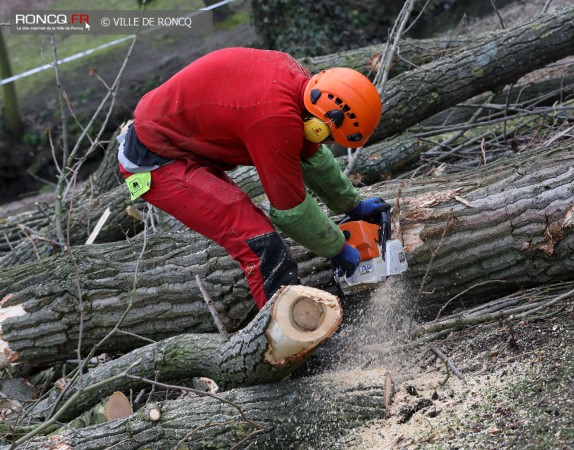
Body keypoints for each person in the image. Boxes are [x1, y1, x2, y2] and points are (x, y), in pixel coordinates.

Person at [118, 47, 390, 309]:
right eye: (329, 137)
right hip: (154, 161)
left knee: (251, 223)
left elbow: (309, 156)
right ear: (320, 125)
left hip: (182, 137)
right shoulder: (274, 120)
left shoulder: (299, 84)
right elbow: (291, 212)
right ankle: (286, 338)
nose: (327, 142)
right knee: (256, 238)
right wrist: (337, 248)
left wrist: (352, 205)